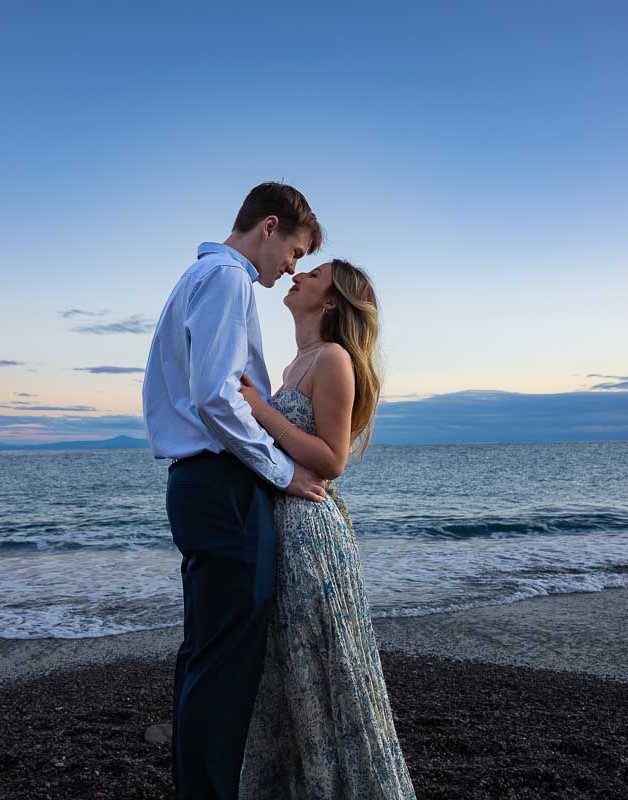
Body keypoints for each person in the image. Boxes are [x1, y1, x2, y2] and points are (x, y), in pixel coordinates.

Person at [141, 181, 329, 800]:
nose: (291, 267)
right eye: (296, 251)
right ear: (269, 227)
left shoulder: (194, 279)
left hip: (198, 485)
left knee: (204, 654)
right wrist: (281, 472)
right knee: (226, 664)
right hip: (223, 489)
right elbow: (216, 395)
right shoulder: (225, 280)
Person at [236, 259, 416, 799]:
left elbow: (331, 459)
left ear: (332, 301)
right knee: (291, 675)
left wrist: (261, 412)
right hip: (284, 529)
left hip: (312, 536)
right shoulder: (295, 364)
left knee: (324, 668)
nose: (299, 276)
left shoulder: (333, 358)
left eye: (313, 275)